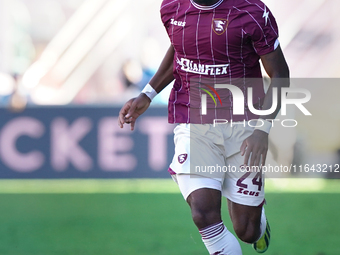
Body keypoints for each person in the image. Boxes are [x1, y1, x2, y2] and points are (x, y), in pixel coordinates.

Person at [118, 0, 289, 254]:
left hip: (243, 124)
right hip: (194, 120)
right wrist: (148, 93)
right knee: (203, 212)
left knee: (247, 230)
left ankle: (258, 223)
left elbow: (280, 74)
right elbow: (178, 49)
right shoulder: (172, 7)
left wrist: (262, 130)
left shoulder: (252, 12)